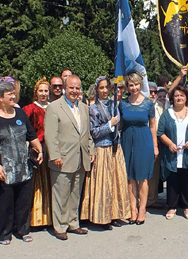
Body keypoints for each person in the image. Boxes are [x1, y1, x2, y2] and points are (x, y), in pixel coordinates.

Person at [0, 81, 43, 244]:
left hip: (23, 165)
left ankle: (23, 230)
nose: (13, 96)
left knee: (23, 201)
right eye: (9, 93)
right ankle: (4, 233)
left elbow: (31, 135)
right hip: (4, 167)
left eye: (13, 93)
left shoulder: (20, 113)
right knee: (4, 202)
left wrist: (39, 150)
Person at [45, 75, 95, 240]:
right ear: (65, 88)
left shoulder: (84, 107)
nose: (74, 91)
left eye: (77, 88)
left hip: (81, 158)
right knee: (61, 194)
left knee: (75, 193)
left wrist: (91, 150)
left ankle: (73, 223)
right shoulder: (54, 107)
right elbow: (50, 135)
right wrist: (55, 155)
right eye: (71, 88)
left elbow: (87, 133)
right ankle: (60, 226)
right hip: (62, 159)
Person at [81, 76, 131, 228]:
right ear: (97, 89)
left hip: (115, 147)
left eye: (106, 87)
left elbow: (119, 125)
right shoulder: (93, 108)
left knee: (116, 181)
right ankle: (102, 216)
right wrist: (110, 124)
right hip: (102, 148)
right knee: (104, 183)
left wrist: (116, 126)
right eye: (101, 88)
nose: (104, 90)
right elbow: (94, 132)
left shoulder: (114, 104)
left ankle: (114, 214)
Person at [158, 85, 188, 220]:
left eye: (182, 95)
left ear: (186, 97)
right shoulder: (167, 113)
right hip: (172, 153)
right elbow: (160, 132)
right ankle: (172, 206)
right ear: (172, 98)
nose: (179, 98)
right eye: (176, 96)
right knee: (172, 180)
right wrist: (169, 144)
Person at [118, 72, 158, 224]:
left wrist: (155, 146)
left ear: (141, 85)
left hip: (144, 141)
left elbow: (152, 125)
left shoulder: (148, 104)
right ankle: (132, 209)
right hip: (127, 140)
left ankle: (142, 209)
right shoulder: (123, 103)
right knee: (130, 178)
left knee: (142, 178)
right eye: (131, 85)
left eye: (136, 84)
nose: (134, 87)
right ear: (127, 86)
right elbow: (120, 124)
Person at [23, 79, 53, 228]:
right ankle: (35, 219)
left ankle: (49, 218)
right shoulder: (30, 109)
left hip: (51, 148)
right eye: (41, 91)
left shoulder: (53, 108)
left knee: (49, 182)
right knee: (36, 184)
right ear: (36, 92)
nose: (43, 94)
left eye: (46, 91)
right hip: (36, 149)